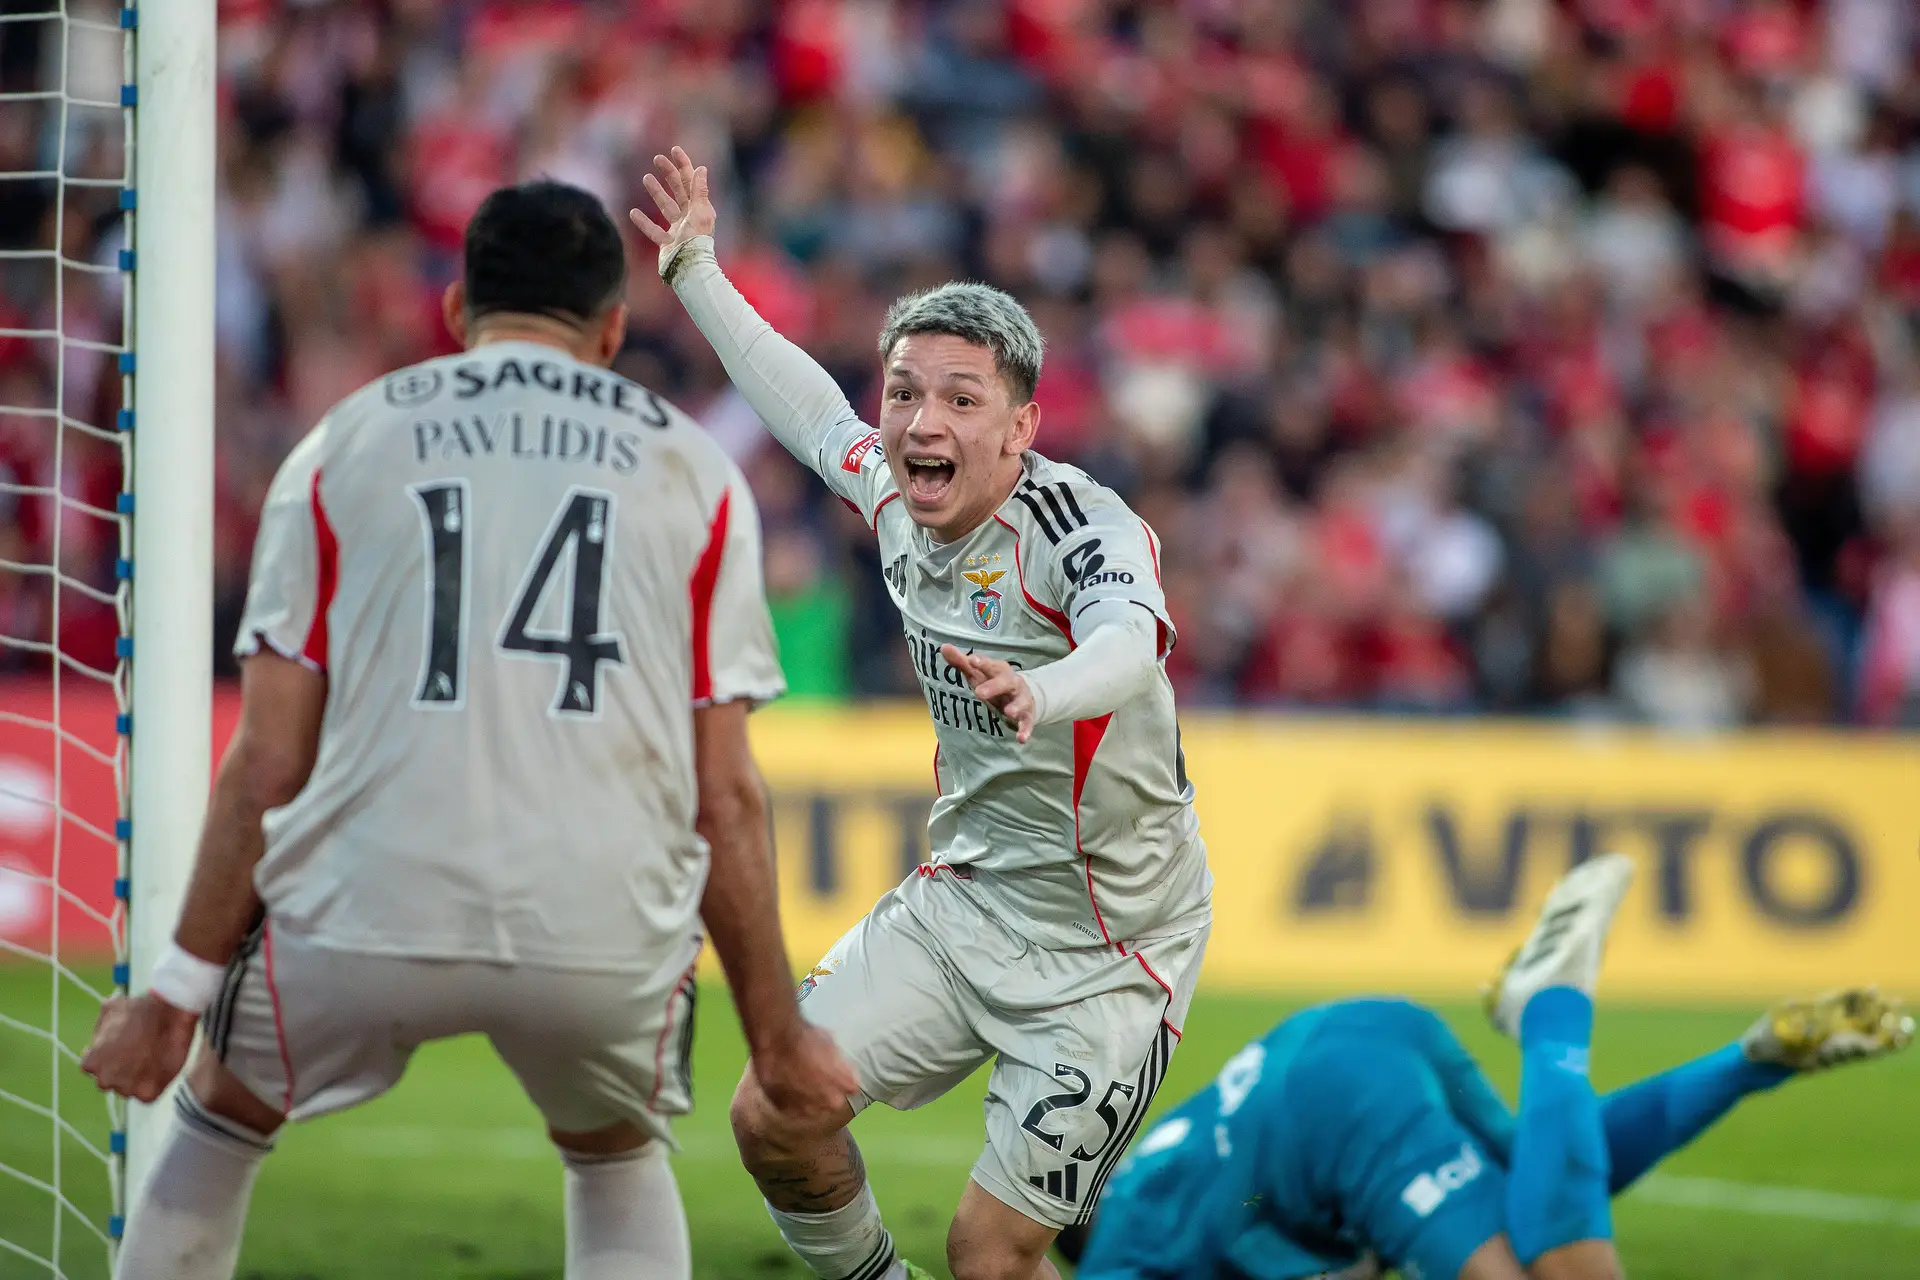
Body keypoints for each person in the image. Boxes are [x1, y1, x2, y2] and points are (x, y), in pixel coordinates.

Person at [79, 180, 857, 1280]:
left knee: (219, 1117)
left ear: (455, 310)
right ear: (615, 327)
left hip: (365, 901)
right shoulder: (698, 474)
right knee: (616, 1144)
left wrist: (173, 994)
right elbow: (724, 791)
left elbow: (265, 761)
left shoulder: (343, 445)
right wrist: (777, 1037)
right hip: (595, 922)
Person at [632, 148, 1213, 1280]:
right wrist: (696, 265)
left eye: (960, 398)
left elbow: (1131, 641)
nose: (919, 421)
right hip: (964, 903)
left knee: (991, 1256)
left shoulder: (1080, 528)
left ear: (1021, 425)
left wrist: (1044, 689)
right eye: (904, 392)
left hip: (1112, 952)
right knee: (773, 1109)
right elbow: (803, 404)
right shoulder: (896, 493)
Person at [1063, 855, 1914, 1280]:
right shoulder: (1149, 1185)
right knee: (1535, 1183)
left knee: (1568, 1273)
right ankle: (1751, 1060)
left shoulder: (1128, 1259)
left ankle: (1549, 1008)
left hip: (1335, 1117)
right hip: (1361, 1034)